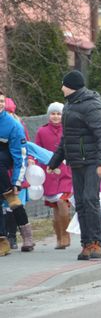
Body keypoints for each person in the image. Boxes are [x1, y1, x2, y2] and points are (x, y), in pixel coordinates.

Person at [48, 71, 101, 260]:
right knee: (81, 203)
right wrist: (54, 162)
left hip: (92, 161)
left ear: (71, 86)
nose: (61, 88)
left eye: (63, 84)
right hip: (76, 162)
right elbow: (66, 139)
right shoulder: (69, 106)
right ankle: (86, 243)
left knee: (91, 199)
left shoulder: (91, 105)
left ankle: (96, 243)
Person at [35, 102, 72, 249]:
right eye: (53, 113)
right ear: (49, 115)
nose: (56, 116)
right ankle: (58, 237)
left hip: (66, 172)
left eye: (58, 113)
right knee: (55, 206)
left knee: (63, 202)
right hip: (49, 173)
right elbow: (37, 152)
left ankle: (65, 235)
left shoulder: (68, 130)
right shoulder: (41, 131)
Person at [0, 90, 32, 253]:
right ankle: (2, 239)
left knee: (10, 196)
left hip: (5, 164)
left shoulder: (13, 125)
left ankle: (27, 236)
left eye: (1, 101)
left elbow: (21, 155)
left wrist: (16, 182)